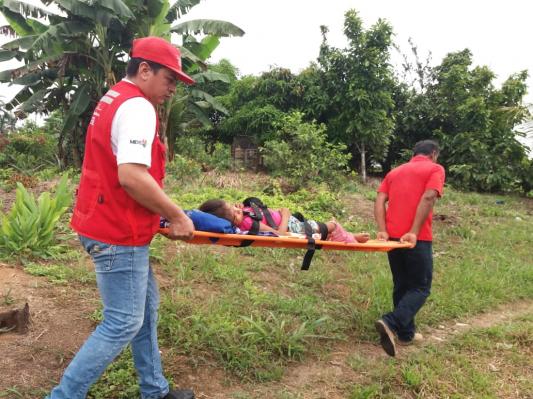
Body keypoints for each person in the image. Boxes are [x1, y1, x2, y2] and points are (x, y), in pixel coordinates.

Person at [47, 37, 196, 399]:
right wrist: (176, 215)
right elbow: (131, 175)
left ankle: (155, 390)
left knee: (144, 311)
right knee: (123, 321)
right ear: (145, 70)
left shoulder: (115, 97)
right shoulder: (138, 108)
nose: (172, 89)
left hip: (105, 220)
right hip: (117, 232)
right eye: (169, 79)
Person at [373, 140, 445, 357]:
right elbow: (429, 196)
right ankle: (391, 322)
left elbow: (379, 200)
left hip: (393, 238)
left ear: (414, 154)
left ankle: (406, 334)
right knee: (420, 287)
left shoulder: (395, 172)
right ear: (433, 154)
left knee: (402, 285)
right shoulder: (435, 168)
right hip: (417, 239)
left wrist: (382, 230)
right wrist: (413, 230)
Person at [199, 199, 370, 243]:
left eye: (234, 206)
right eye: (235, 213)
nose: (238, 210)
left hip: (294, 223)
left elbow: (240, 213)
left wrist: (239, 209)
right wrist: (286, 215)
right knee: (331, 224)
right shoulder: (248, 224)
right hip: (293, 227)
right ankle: (351, 239)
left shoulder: (241, 218)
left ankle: (349, 234)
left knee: (322, 227)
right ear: (233, 221)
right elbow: (279, 234)